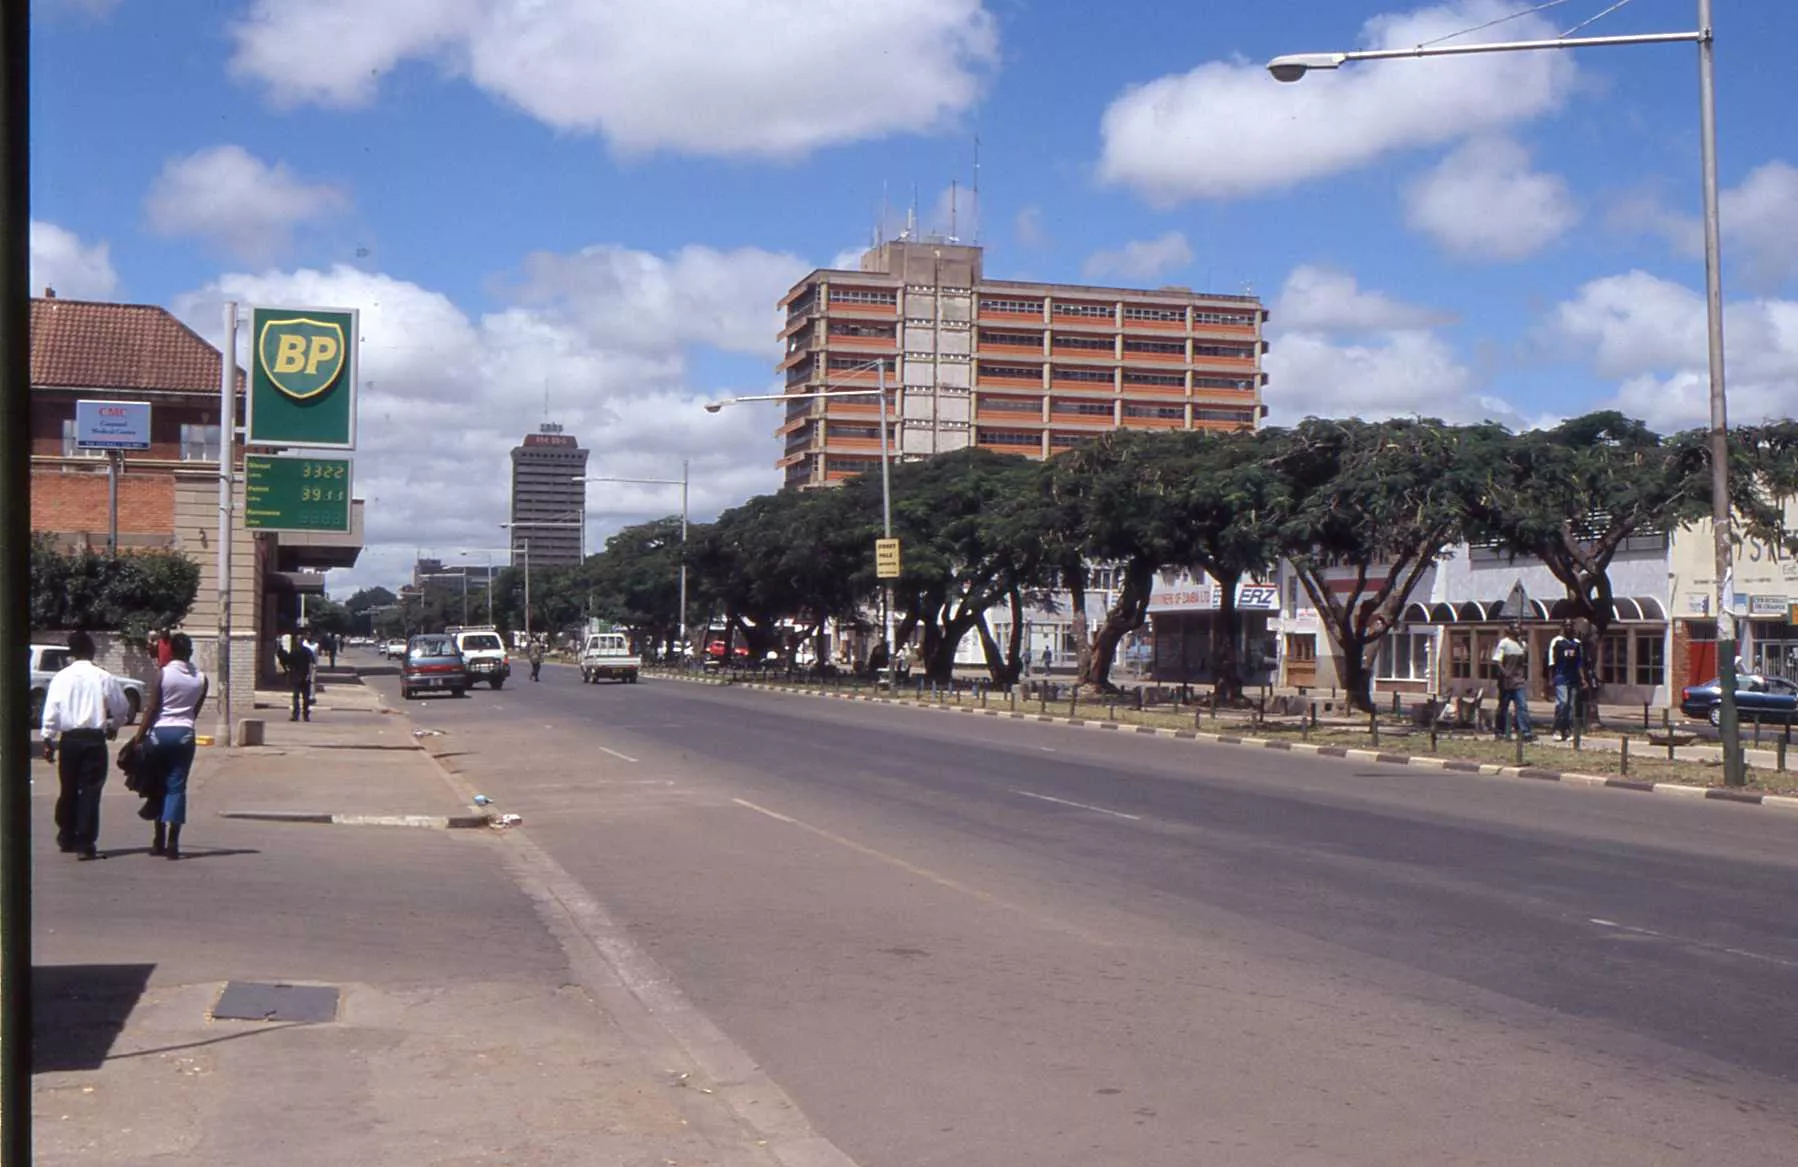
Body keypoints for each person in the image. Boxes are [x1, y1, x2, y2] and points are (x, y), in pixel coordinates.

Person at [39, 630, 131, 861]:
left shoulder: (61, 677)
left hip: (69, 740)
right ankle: (85, 842)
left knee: (68, 788)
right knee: (90, 791)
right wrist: (114, 725)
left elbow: (51, 710)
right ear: (91, 650)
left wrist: (48, 738)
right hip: (93, 739)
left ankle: (66, 834)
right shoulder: (102, 676)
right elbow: (122, 707)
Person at [133, 632, 208, 861]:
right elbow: (195, 710)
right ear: (190, 652)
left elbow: (153, 708)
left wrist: (139, 736)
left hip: (159, 734)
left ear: (171, 651)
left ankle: (158, 840)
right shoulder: (202, 678)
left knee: (158, 785)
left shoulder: (163, 675)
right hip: (185, 734)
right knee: (177, 787)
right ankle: (174, 843)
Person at [1492, 621, 1534, 742]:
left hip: (1519, 681)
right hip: (1506, 682)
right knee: (1503, 707)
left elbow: (1523, 663)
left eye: (1519, 628)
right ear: (1510, 630)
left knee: (1522, 706)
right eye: (1515, 628)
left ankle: (1525, 731)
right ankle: (1500, 730)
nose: (1518, 630)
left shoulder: (1523, 644)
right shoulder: (1504, 643)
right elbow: (1497, 661)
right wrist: (1506, 674)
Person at [1546, 619, 1586, 741]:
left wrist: (1583, 679)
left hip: (1573, 678)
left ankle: (1568, 731)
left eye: (1571, 625)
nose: (1569, 628)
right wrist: (1550, 679)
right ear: (1563, 627)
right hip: (1561, 676)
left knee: (1571, 706)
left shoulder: (1577, 643)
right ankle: (1557, 729)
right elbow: (1551, 662)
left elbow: (1579, 663)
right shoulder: (1557, 642)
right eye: (1566, 625)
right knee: (1562, 703)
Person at [278, 633, 315, 721]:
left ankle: (295, 715)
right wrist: (309, 675)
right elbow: (311, 664)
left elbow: (287, 661)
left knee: (296, 697)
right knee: (305, 697)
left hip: (296, 677)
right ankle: (306, 715)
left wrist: (282, 653)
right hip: (305, 677)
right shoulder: (308, 651)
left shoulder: (294, 651)